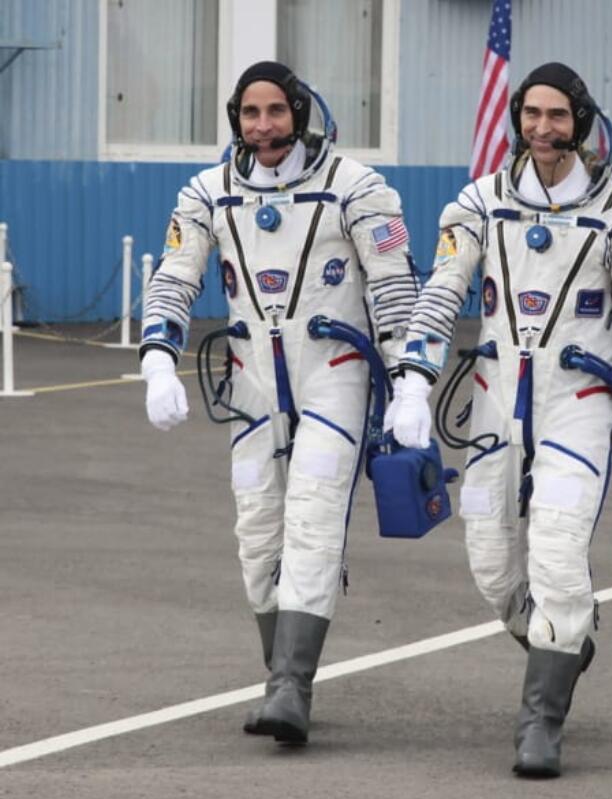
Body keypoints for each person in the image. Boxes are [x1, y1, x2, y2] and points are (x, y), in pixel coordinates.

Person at [390, 62, 612, 778]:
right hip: (494, 401)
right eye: (531, 114)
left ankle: (541, 721)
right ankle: (564, 636)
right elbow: (440, 293)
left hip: (579, 404)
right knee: (491, 564)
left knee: (555, 549)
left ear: (581, 120)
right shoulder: (479, 204)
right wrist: (411, 383)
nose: (542, 128)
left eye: (557, 116)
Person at [139, 61, 419, 743]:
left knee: (314, 519)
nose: (263, 127)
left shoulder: (353, 188)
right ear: (236, 118)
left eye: (275, 112)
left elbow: (393, 290)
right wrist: (156, 360)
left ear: (300, 112)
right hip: (253, 385)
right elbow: (176, 274)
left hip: (335, 375)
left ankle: (291, 687)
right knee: (258, 531)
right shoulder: (209, 192)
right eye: (249, 114)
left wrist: (411, 381)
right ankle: (281, 677)